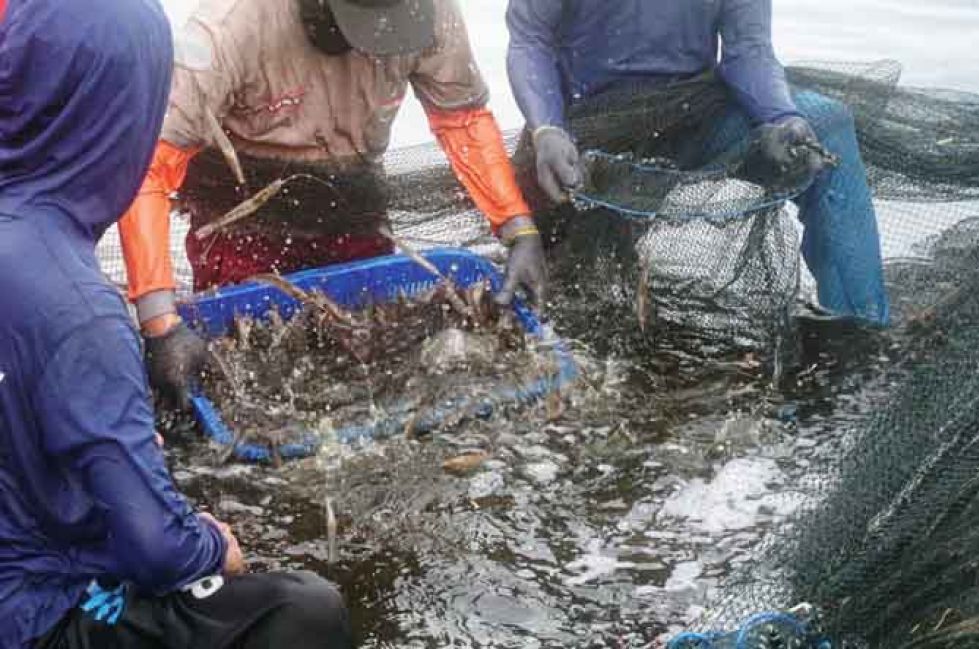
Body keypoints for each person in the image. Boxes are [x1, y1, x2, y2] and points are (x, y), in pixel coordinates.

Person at [0, 1, 352, 647]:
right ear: (121, 117)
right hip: (29, 614)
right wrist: (211, 544)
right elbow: (157, 550)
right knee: (303, 608)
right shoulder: (78, 304)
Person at [121, 0, 546, 410]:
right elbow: (149, 166)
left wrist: (517, 226)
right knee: (249, 363)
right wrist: (160, 323)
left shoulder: (430, 11)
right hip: (242, 220)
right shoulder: (233, 22)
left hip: (353, 210)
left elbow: (462, 118)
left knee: (368, 353)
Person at [506, 0, 890, 325]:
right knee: (562, 294)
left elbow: (748, 48)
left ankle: (860, 328)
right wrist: (546, 129)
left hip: (692, 117)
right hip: (584, 133)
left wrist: (781, 116)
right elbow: (529, 40)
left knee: (827, 125)